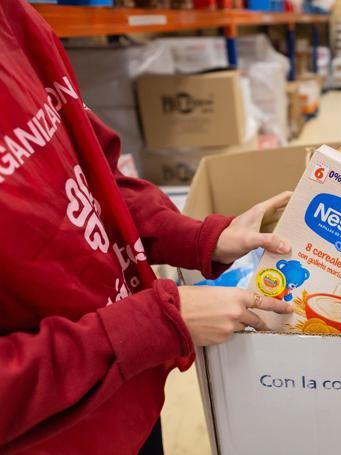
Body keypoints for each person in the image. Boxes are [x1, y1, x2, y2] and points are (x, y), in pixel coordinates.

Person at [0, 1, 293, 453]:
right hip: (52, 435)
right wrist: (151, 324)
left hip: (126, 390)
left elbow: (95, 171)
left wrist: (200, 238)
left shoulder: (14, 22)